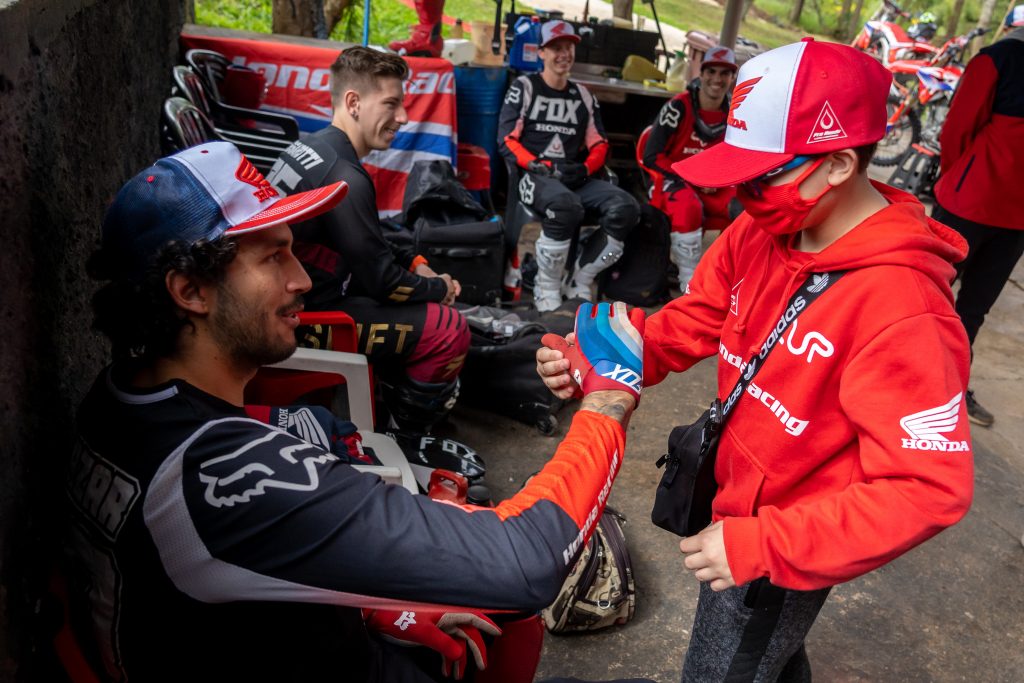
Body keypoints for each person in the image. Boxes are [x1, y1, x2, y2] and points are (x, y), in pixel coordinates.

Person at [69, 140, 646, 682]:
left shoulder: (119, 396)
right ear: (190, 292)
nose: (301, 280)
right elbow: (526, 558)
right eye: (273, 257)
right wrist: (608, 400)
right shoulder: (217, 476)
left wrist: (373, 606)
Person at [537, 39, 974, 679]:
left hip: (787, 547)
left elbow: (927, 488)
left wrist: (764, 545)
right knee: (763, 656)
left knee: (725, 664)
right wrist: (606, 356)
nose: (742, 195)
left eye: (759, 175)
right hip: (736, 502)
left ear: (837, 166)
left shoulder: (904, 309)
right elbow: (701, 313)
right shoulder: (763, 227)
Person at [268, 47, 469, 437]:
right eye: (391, 104)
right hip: (297, 318)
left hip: (295, 294)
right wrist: (438, 287)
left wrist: (414, 263)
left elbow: (365, 239)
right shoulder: (345, 173)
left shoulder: (315, 145)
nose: (404, 117)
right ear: (354, 102)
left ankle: (384, 399)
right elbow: (383, 282)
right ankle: (404, 437)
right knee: (449, 328)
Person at [497, 19, 640, 312]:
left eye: (569, 48)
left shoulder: (583, 95)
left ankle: (580, 279)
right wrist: (536, 164)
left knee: (626, 207)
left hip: (575, 175)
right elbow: (506, 140)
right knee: (566, 206)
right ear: (541, 53)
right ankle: (545, 287)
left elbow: (599, 143)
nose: (564, 54)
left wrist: (586, 168)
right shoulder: (524, 87)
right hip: (535, 176)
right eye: (556, 48)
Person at [930, 6, 1024, 427]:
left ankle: (946, 388)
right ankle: (891, 372)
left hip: (1015, 219)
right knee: (928, 292)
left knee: (973, 308)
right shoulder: (997, 58)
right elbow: (957, 129)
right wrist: (956, 178)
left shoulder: (995, 57)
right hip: (967, 204)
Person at [641, 46, 739, 288]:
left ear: (732, 78)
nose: (717, 79)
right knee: (689, 208)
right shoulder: (678, 107)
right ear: (701, 73)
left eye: (724, 74)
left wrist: (716, 180)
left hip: (715, 184)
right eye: (712, 71)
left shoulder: (736, 113)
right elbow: (652, 156)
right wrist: (695, 179)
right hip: (675, 180)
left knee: (746, 209)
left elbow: (736, 158)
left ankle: (731, 280)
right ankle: (690, 283)